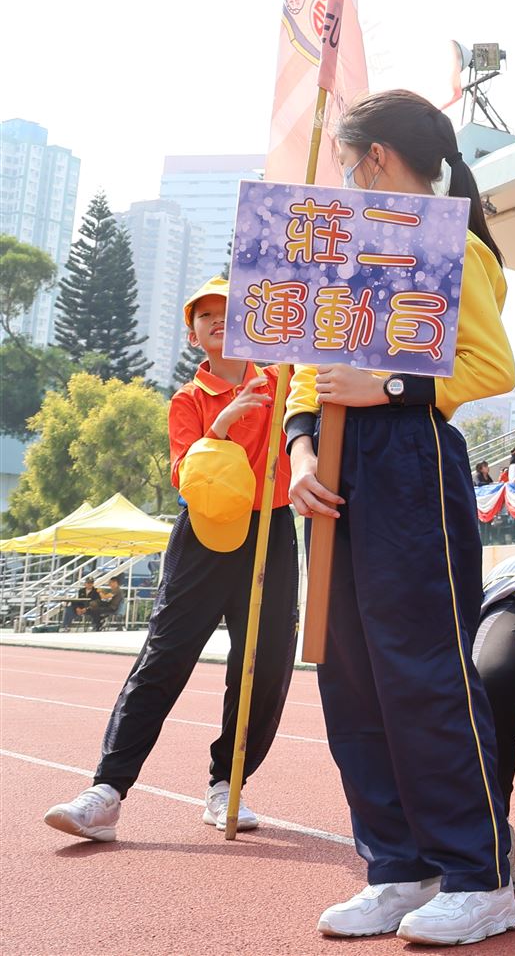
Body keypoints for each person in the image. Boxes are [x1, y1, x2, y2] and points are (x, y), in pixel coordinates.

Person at [284, 89, 515, 944]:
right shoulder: (338, 249)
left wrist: (388, 384)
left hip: (411, 460)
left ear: (377, 157)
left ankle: (478, 876)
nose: (346, 178)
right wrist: (301, 453)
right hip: (333, 470)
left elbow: (491, 364)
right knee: (349, 673)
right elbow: (306, 368)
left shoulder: (456, 244)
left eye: (350, 164)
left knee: (424, 671)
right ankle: (396, 865)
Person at [44, 276, 298, 844]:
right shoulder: (188, 399)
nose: (217, 320)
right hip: (205, 535)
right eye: (205, 316)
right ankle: (106, 792)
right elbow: (186, 475)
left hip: (271, 531)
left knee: (264, 665)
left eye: (228, 310)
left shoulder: (282, 380)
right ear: (193, 336)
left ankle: (227, 785)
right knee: (164, 658)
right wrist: (224, 423)